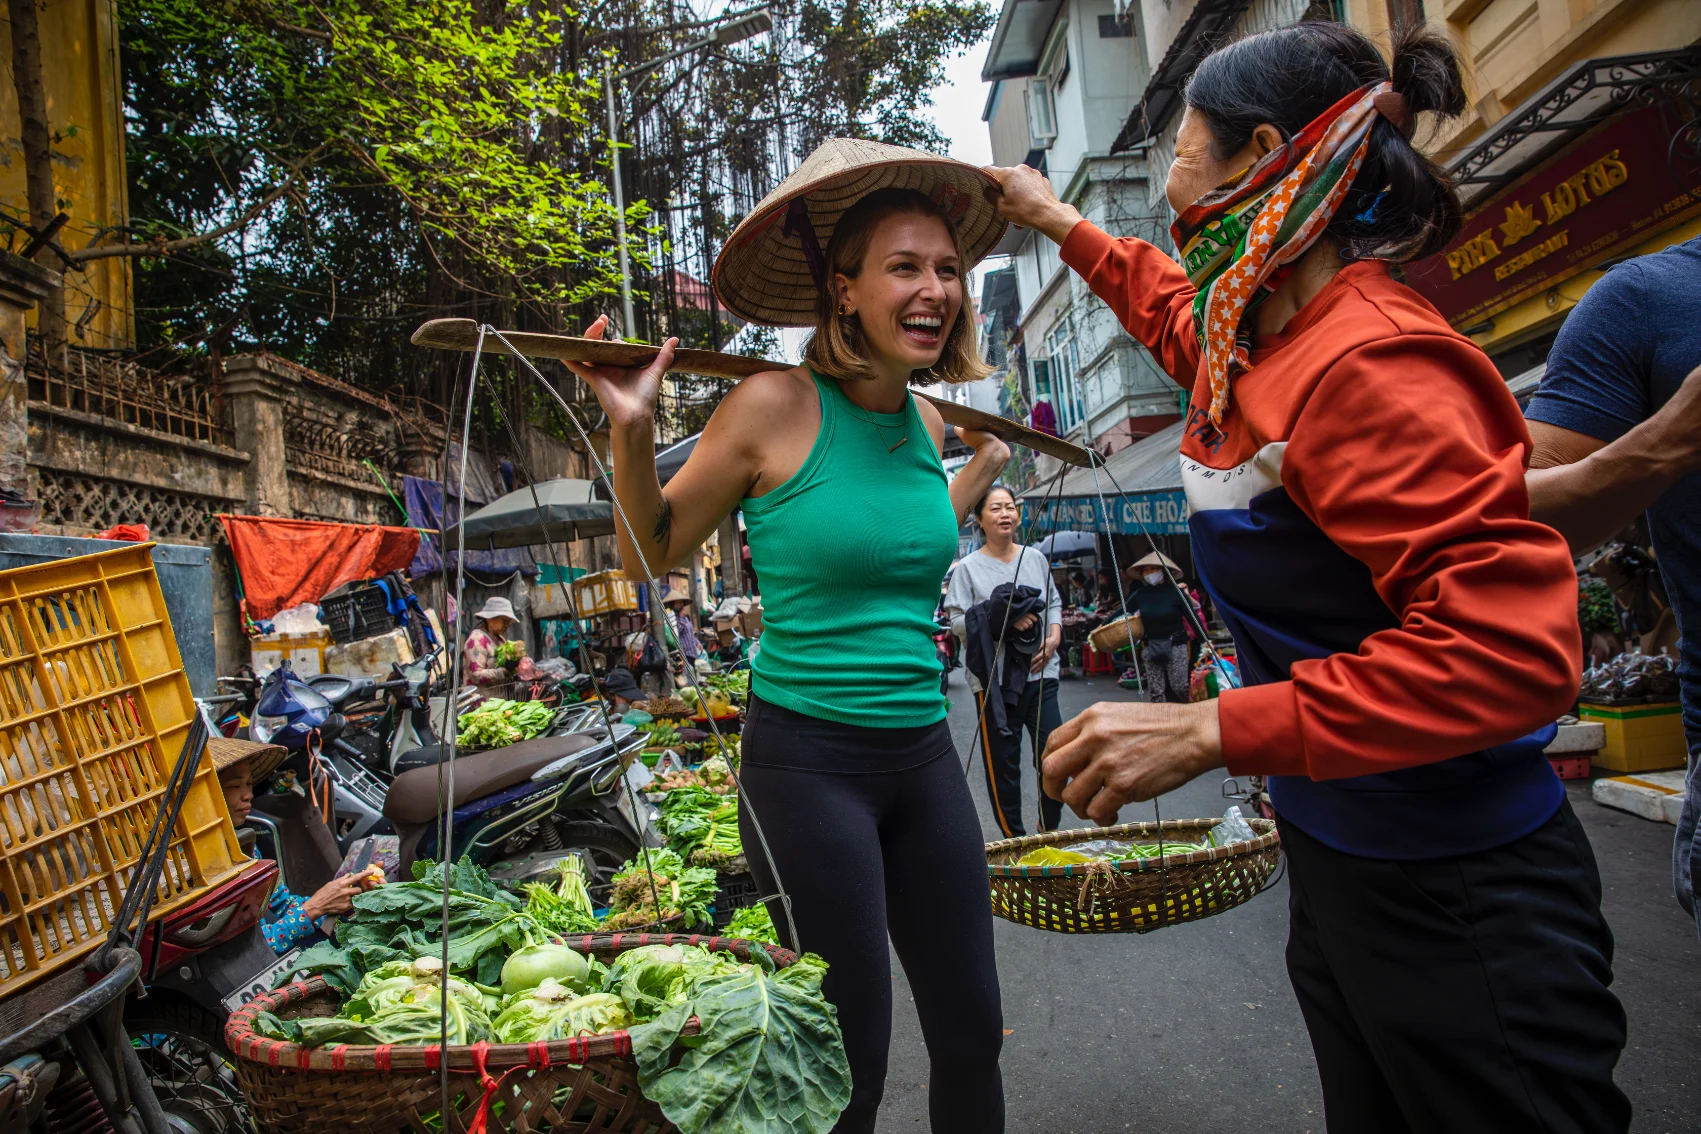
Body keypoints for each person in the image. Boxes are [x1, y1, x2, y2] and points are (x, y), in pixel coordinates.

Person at [989, 22, 1629, 1133]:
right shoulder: (1258, 338)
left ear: (1261, 157)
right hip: (1344, 865)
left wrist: (1213, 732)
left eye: (1181, 150)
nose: (1171, 187)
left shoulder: (1373, 362)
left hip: (1466, 890)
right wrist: (1053, 218)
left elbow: (1506, 654)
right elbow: (1170, 312)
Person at [562, 139, 1012, 1134]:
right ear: (845, 292)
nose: (934, 288)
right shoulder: (772, 405)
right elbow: (650, 553)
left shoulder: (929, 427)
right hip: (807, 765)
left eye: (946, 268)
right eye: (905, 267)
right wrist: (631, 431)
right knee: (845, 1060)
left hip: (921, 753)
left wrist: (986, 466)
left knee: (974, 1032)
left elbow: (906, 544)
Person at [944, 485, 1063, 836]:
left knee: (1054, 757)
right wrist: (1002, 618)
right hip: (993, 682)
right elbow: (956, 623)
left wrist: (1054, 635)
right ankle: (1017, 842)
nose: (1005, 514)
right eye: (995, 508)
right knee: (1003, 767)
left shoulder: (1036, 558)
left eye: (1010, 507)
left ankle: (1050, 827)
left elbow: (1053, 601)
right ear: (980, 519)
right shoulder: (967, 569)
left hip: (1042, 674)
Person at [214, 737, 378, 953]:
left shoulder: (242, 842)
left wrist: (338, 898)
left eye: (249, 784)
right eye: (235, 786)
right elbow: (252, 950)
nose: (248, 795)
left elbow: (280, 905)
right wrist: (314, 908)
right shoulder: (194, 865)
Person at [1120, 552, 1198, 704]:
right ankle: (1161, 725)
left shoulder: (1176, 592)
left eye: (1153, 569)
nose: (1150, 573)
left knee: (1180, 687)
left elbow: (1192, 618)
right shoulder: (1141, 594)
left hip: (1176, 644)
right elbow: (1123, 611)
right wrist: (1101, 627)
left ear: (1163, 571)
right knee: (1156, 692)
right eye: (1146, 570)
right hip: (1151, 646)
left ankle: (1192, 714)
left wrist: (1206, 641)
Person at [463, 596, 525, 685]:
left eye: (508, 622)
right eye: (504, 620)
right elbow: (475, 675)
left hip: (500, 696)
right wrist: (503, 671)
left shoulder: (500, 639)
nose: (506, 625)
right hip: (480, 697)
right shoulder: (477, 638)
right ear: (490, 618)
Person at [661, 586, 703, 671]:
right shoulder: (672, 618)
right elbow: (676, 633)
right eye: (677, 603)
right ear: (672, 604)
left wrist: (697, 642)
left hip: (692, 652)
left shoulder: (685, 617)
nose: (680, 604)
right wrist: (680, 618)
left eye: (681, 602)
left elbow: (690, 633)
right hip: (683, 653)